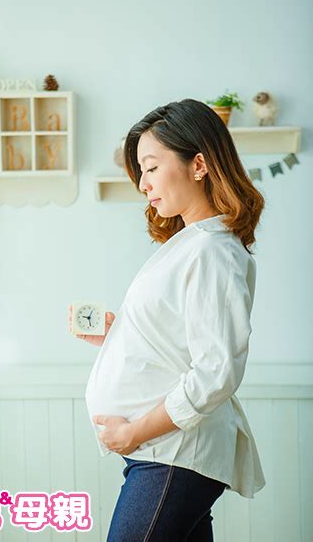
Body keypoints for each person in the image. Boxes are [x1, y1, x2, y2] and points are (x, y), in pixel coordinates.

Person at [69, 98, 266, 541]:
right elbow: (181, 343)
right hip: (165, 454)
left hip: (174, 453)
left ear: (199, 164)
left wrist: (133, 431)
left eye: (152, 167)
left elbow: (217, 372)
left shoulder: (212, 251)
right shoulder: (191, 244)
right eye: (140, 170)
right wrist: (120, 335)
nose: (143, 183)